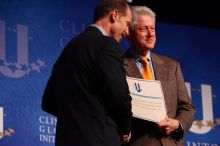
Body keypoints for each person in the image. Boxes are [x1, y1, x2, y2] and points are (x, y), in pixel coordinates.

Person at [41, 0, 133, 146]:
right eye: (127, 24)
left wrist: (75, 118)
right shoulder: (107, 45)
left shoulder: (69, 48)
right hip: (99, 139)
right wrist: (125, 128)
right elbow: (120, 97)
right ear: (114, 15)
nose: (127, 32)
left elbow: (48, 102)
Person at [123, 6, 196, 146]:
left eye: (153, 28)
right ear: (129, 33)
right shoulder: (118, 67)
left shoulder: (171, 65)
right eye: (144, 29)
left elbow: (187, 107)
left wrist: (177, 123)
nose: (150, 34)